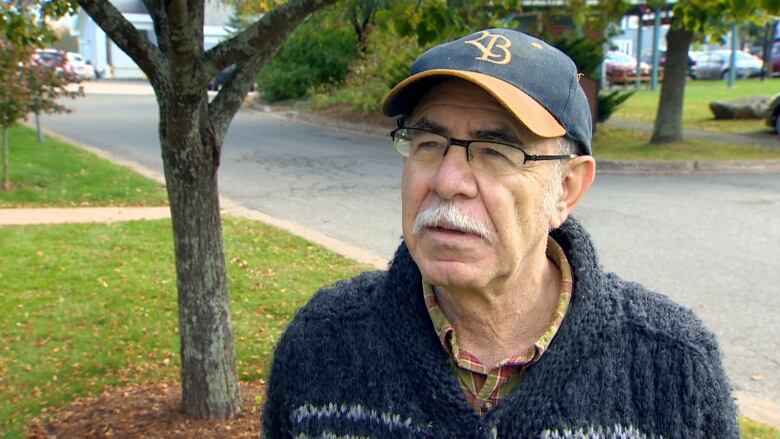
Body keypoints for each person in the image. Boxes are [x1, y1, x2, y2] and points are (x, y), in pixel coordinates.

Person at [262, 28, 738, 438]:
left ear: (567, 190)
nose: (448, 182)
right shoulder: (323, 343)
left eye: (495, 151)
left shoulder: (672, 367)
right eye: (429, 143)